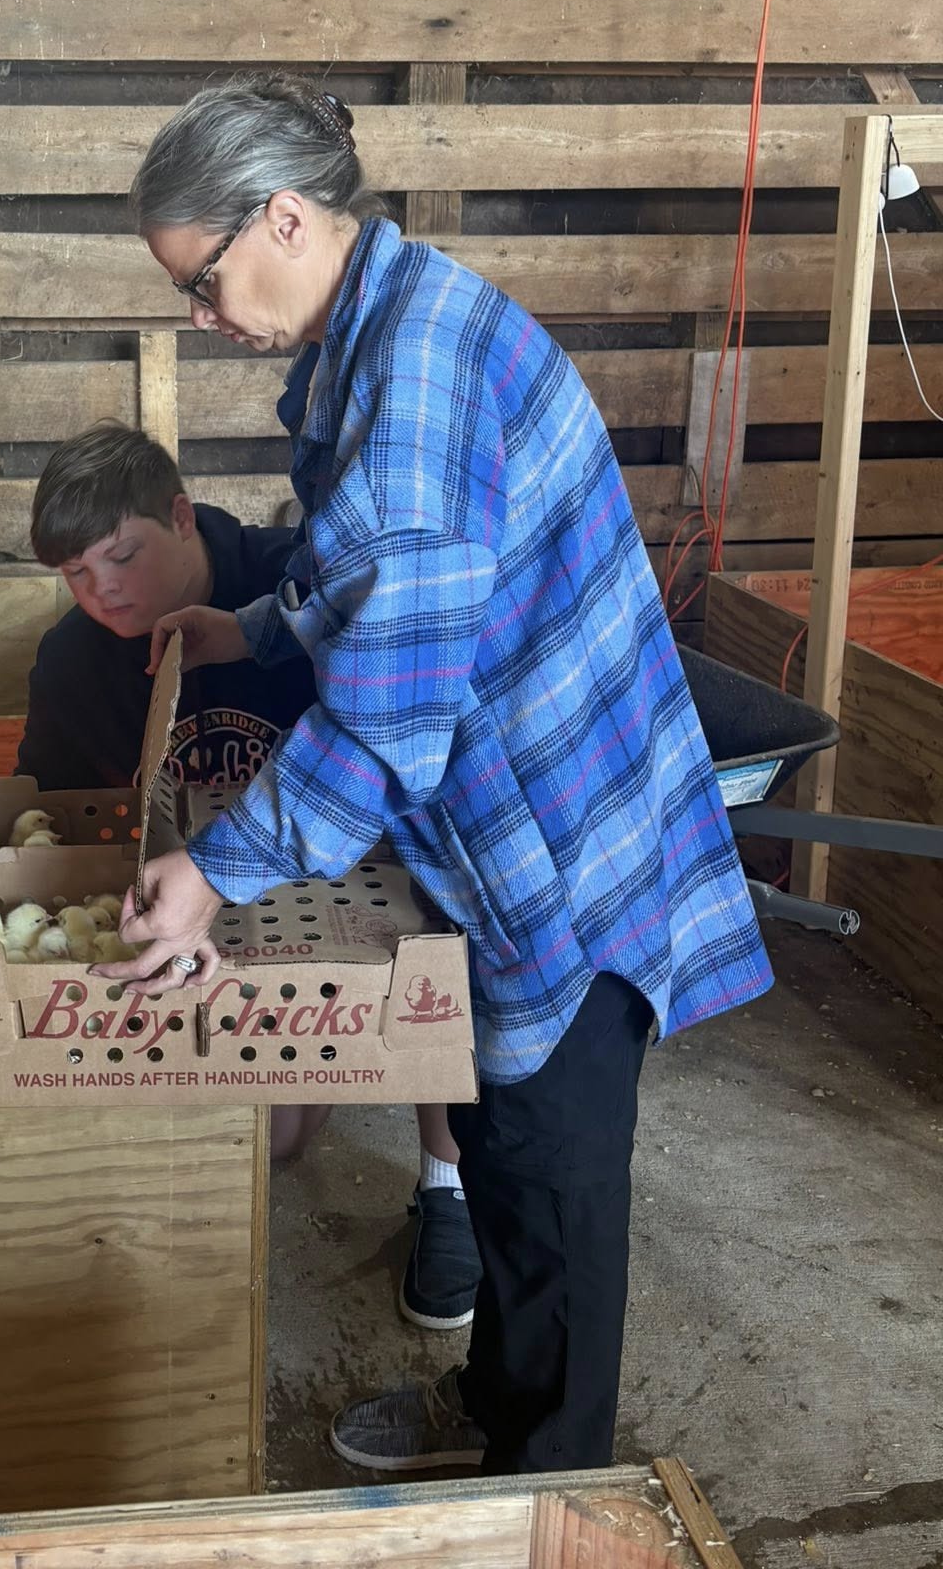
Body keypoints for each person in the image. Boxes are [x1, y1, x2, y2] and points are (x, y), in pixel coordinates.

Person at [100, 75, 773, 1476]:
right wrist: (260, 620)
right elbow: (389, 578)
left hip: (566, 830)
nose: (202, 319)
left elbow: (391, 728)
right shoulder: (383, 327)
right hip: (515, 809)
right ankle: (497, 1409)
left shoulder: (415, 386)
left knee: (554, 1179)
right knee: (503, 1133)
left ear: (285, 217)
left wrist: (217, 870)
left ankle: (548, 1485)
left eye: (206, 282)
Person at [0, 420, 486, 1326]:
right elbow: (61, 806)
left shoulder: (296, 585)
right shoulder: (75, 660)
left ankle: (446, 1184)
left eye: (122, 556)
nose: (103, 592)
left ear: (180, 518)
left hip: (351, 870)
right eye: (76, 575)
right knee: (277, 1140)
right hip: (200, 909)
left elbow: (403, 722)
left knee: (443, 942)